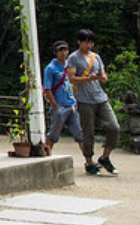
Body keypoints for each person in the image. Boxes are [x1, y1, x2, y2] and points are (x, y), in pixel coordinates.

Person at [66, 28, 120, 175]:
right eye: (86, 43)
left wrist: (101, 77)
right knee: (88, 132)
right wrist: (88, 78)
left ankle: (105, 157)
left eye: (91, 43)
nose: (88, 46)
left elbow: (104, 76)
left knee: (114, 126)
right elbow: (71, 78)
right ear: (79, 42)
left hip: (100, 97)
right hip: (84, 100)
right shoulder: (73, 58)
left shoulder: (96, 57)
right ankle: (89, 162)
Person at [41, 40, 84, 157]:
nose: (63, 53)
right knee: (53, 135)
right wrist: (55, 106)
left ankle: (89, 160)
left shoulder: (70, 66)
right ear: (55, 52)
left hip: (72, 104)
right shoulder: (50, 68)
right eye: (60, 50)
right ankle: (45, 155)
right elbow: (48, 89)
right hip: (60, 105)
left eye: (65, 50)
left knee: (80, 134)